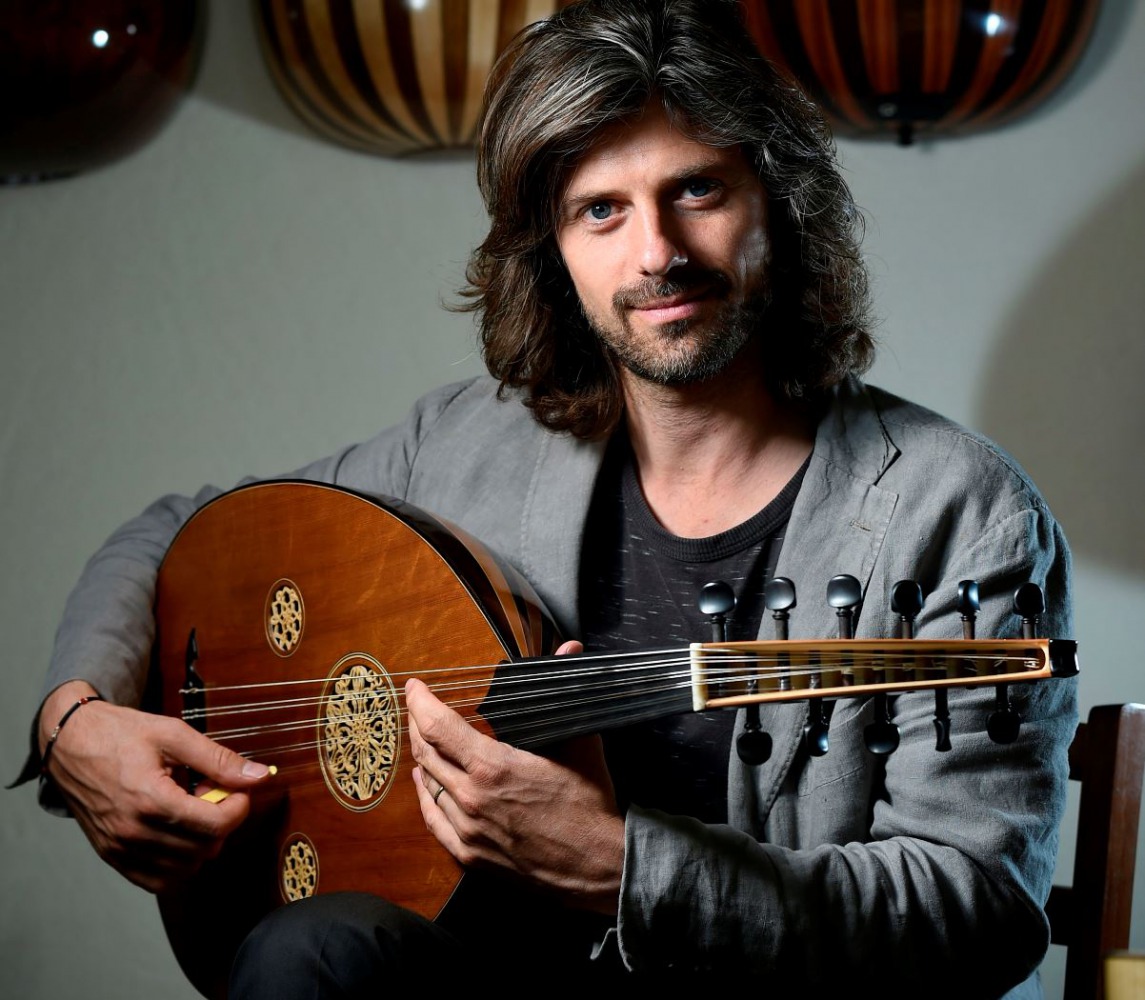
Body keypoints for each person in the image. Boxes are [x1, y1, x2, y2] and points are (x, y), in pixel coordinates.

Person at [21, 0, 1075, 995]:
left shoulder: (957, 512)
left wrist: (621, 865)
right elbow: (170, 536)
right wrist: (77, 722)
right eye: (600, 211)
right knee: (313, 951)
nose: (655, 252)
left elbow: (977, 909)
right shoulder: (467, 447)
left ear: (779, 204)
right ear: (553, 253)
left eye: (696, 189)